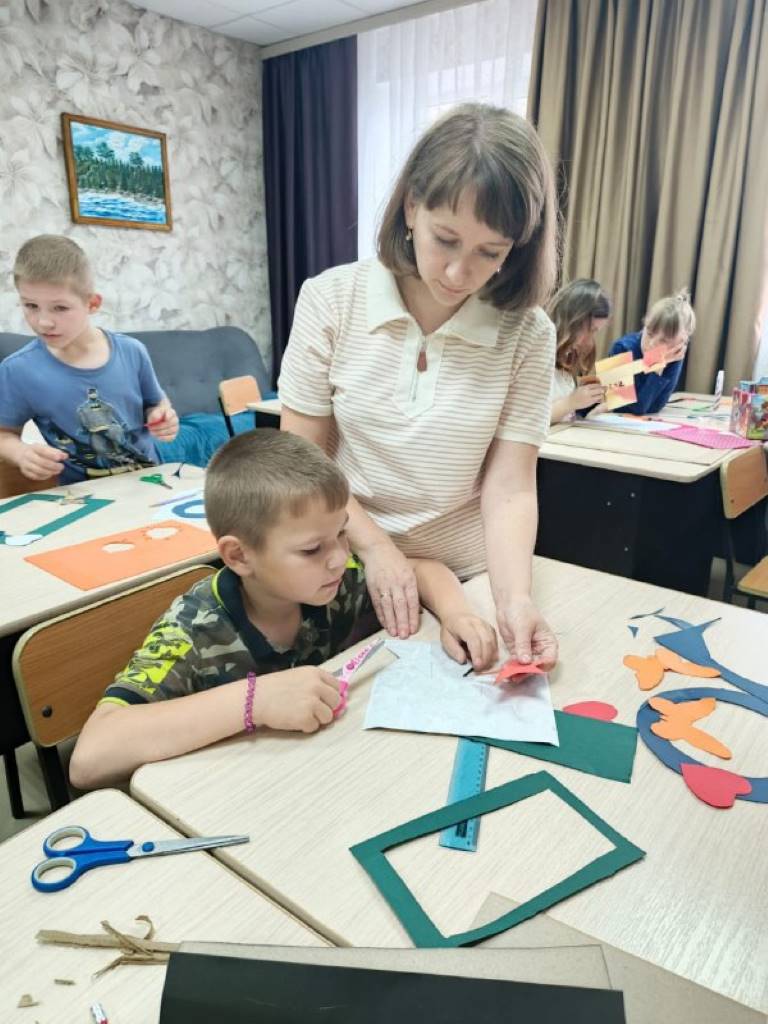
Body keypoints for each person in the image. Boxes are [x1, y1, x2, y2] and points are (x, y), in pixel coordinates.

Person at [278, 103, 559, 668]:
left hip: (471, 576)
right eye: (445, 239)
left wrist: (514, 599)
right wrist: (376, 547)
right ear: (411, 207)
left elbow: (509, 488)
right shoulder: (331, 299)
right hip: (348, 561)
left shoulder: (528, 333)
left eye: (490, 253)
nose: (458, 273)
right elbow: (302, 461)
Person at [69, 429, 498, 788]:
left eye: (342, 534)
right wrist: (255, 701)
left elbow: (421, 571)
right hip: (228, 793)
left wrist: (456, 614)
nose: (338, 558)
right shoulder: (193, 628)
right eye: (312, 549)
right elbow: (89, 758)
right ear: (239, 556)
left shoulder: (329, 581)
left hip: (312, 778)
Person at [0, 235, 178, 483]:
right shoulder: (17, 370)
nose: (44, 322)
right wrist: (21, 454)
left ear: (92, 304)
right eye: (31, 305)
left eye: (60, 308)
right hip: (84, 496)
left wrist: (164, 416)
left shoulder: (133, 351)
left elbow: (157, 402)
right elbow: (4, 434)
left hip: (150, 480)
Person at [607, 288, 696, 415]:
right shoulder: (621, 348)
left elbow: (657, 406)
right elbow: (627, 408)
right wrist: (657, 367)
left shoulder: (674, 355)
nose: (652, 342)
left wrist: (659, 365)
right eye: (649, 333)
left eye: (663, 341)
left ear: (679, 344)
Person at [547, 279, 611, 424]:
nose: (589, 340)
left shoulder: (569, 354)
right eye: (589, 330)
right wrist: (571, 402)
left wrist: (590, 404)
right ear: (572, 320)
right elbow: (530, 420)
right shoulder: (540, 350)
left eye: (595, 332)